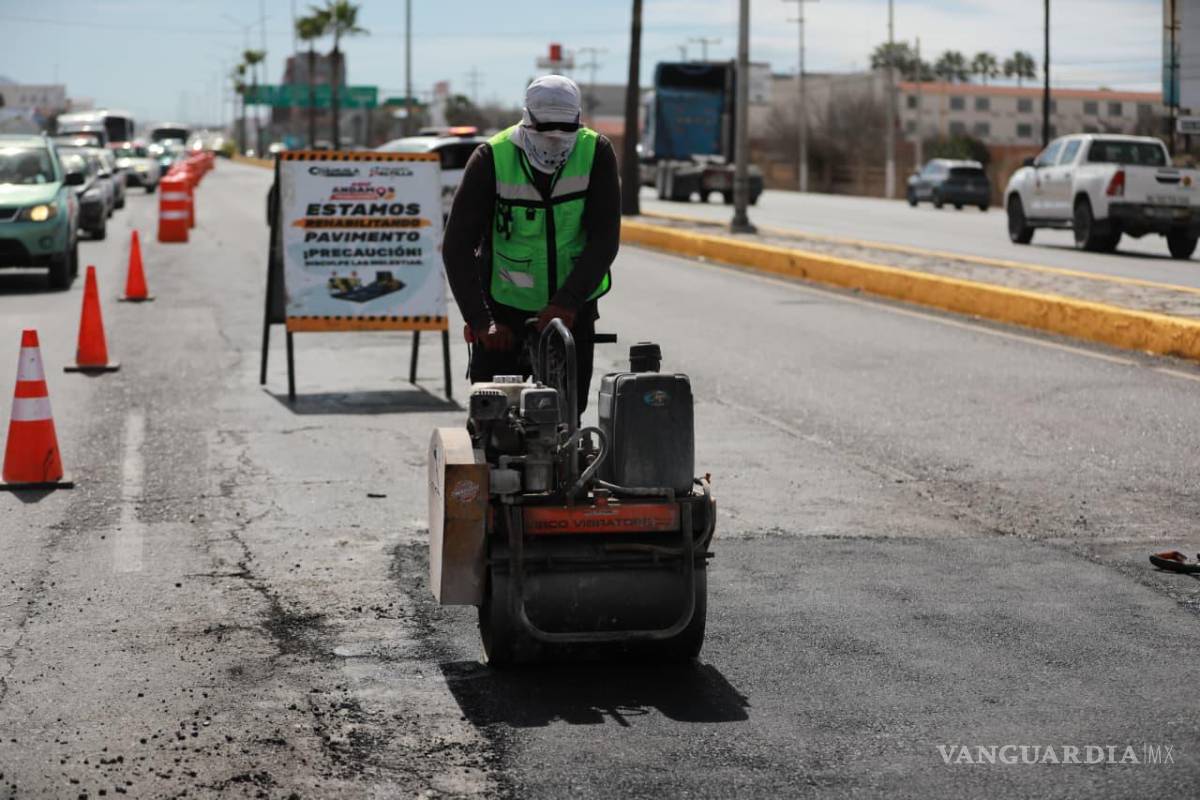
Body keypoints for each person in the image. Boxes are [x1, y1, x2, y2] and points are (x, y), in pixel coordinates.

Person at [442, 75, 620, 414]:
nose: (554, 142)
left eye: (564, 133)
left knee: (567, 414)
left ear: (578, 121)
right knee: (493, 416)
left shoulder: (596, 152)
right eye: (545, 132)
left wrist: (567, 304)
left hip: (572, 310)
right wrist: (482, 321)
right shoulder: (490, 159)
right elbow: (457, 246)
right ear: (527, 120)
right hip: (504, 311)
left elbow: (605, 238)